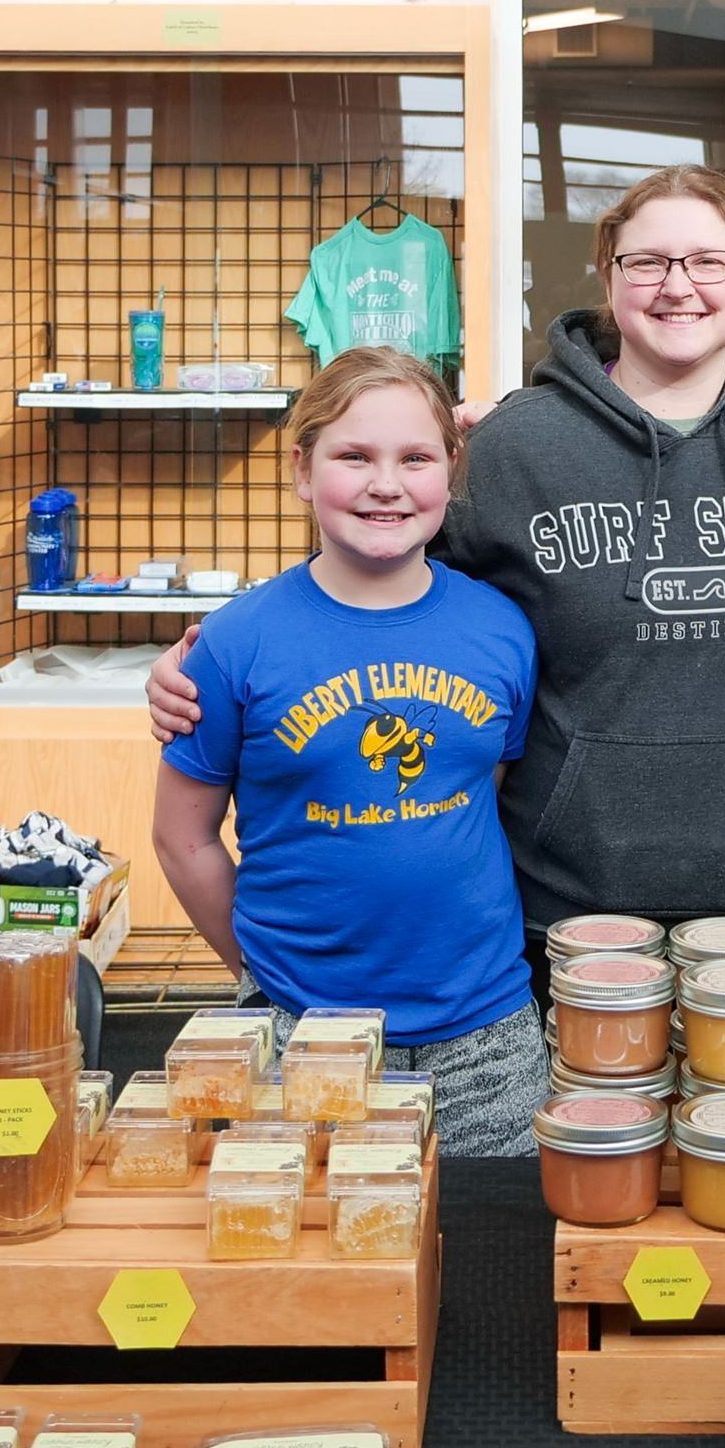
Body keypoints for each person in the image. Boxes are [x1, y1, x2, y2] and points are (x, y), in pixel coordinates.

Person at [149, 167, 725, 966]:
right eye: (646, 261)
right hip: (568, 913)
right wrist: (212, 666)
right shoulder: (514, 447)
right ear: (608, 277)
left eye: (709, 261)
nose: (677, 286)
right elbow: (365, 594)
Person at [149, 347, 547, 1154]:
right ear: (302, 469)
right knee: (304, 1258)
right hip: (302, 1027)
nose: (386, 484)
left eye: (415, 458)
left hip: (485, 1033)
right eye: (353, 456)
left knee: (493, 1258)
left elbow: (486, 790)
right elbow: (182, 836)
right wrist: (264, 978)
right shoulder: (235, 642)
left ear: (451, 472)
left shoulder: (503, 629)